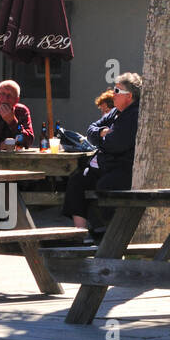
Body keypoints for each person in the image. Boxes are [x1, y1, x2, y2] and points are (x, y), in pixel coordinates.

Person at [63, 72, 142, 238]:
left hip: (121, 168)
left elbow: (116, 144)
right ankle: (80, 235)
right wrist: (102, 133)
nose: (113, 94)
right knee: (76, 180)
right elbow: (91, 130)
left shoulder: (134, 114)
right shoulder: (115, 112)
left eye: (117, 91)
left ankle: (115, 235)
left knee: (106, 186)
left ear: (129, 96)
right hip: (103, 166)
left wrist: (102, 138)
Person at [0, 79, 34, 148]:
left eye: (10, 95)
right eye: (2, 94)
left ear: (17, 100)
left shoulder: (21, 111)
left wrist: (13, 122)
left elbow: (28, 141)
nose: (5, 98)